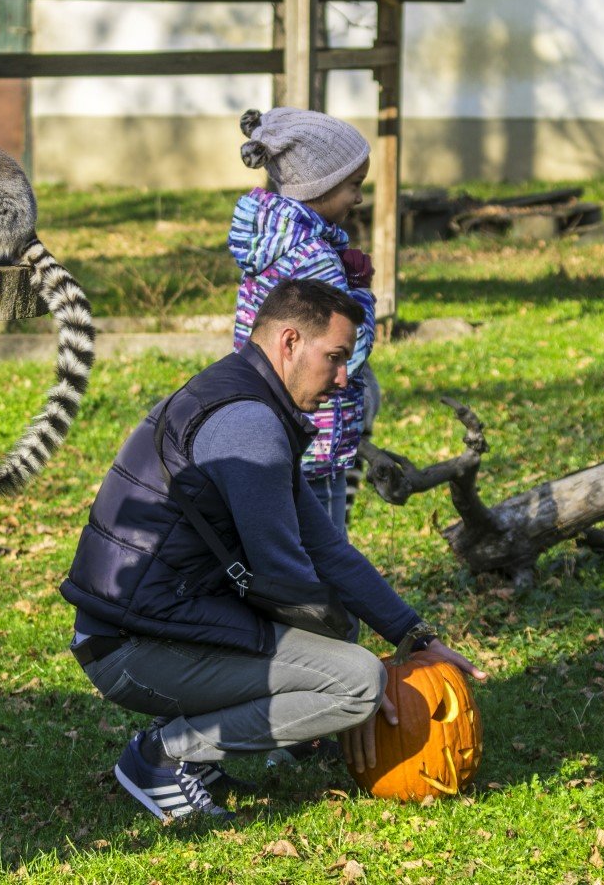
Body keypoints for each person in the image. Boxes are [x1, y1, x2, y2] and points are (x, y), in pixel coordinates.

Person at [61, 278, 486, 820]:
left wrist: (415, 636)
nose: (343, 378)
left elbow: (327, 551)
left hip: (139, 626)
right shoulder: (251, 425)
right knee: (356, 683)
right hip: (129, 651)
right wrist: (353, 677)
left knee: (342, 646)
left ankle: (200, 742)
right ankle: (165, 756)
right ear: (289, 342)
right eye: (335, 357)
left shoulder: (241, 396)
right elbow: (285, 576)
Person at [228, 107, 378, 536]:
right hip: (317, 432)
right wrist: (361, 292)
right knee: (326, 548)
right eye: (354, 185)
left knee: (287, 540)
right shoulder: (316, 258)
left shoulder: (270, 242)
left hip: (271, 423)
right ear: (322, 185)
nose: (359, 198)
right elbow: (349, 352)